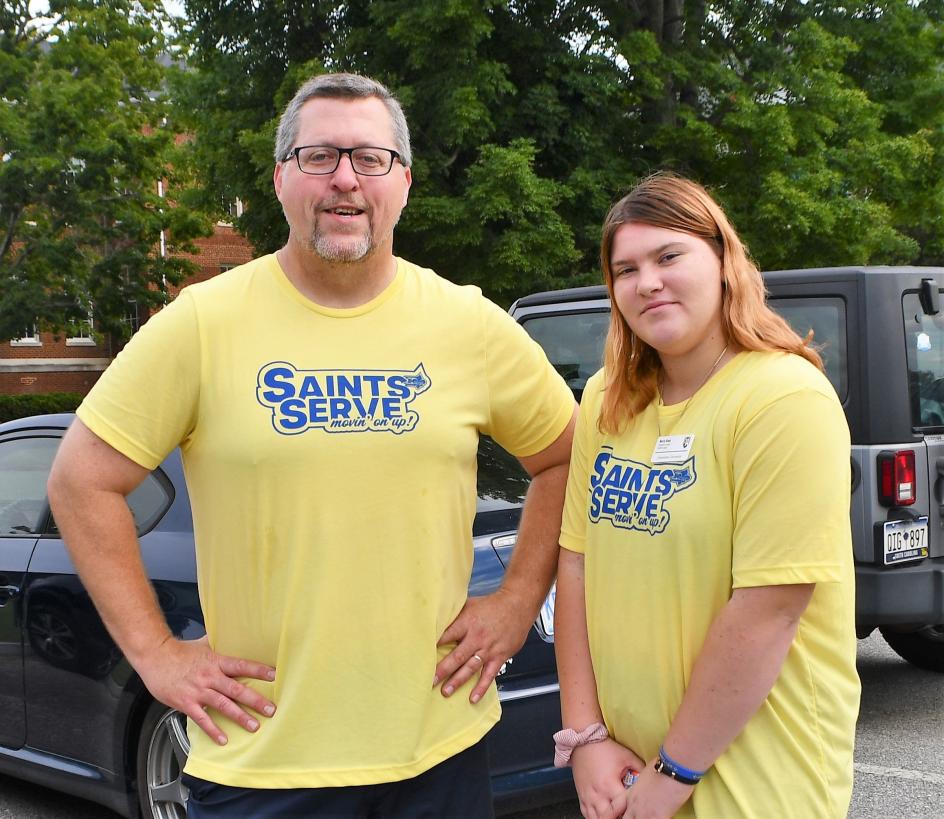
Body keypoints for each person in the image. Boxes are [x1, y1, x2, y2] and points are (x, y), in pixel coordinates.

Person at [47, 73, 576, 818]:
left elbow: (566, 455)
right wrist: (157, 654)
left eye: (371, 158)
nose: (345, 180)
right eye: (318, 155)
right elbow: (80, 480)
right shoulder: (203, 323)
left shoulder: (468, 323)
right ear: (280, 179)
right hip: (264, 761)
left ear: (404, 182)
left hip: (439, 749)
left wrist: (518, 600)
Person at [553, 172, 859, 819]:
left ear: (724, 260)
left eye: (669, 255)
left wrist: (673, 773)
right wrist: (585, 737)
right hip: (628, 773)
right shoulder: (607, 399)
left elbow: (769, 608)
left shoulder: (783, 398)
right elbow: (576, 561)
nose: (648, 281)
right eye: (626, 268)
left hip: (756, 784)